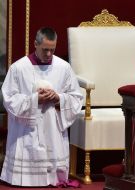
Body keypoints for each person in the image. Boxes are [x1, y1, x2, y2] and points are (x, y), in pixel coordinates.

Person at [0, 27, 83, 186]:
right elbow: (9, 98)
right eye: (45, 50)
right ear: (35, 44)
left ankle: (53, 176)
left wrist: (58, 97)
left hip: (52, 125)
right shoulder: (19, 68)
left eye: (52, 50)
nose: (49, 54)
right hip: (27, 129)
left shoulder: (63, 67)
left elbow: (75, 97)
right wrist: (34, 99)